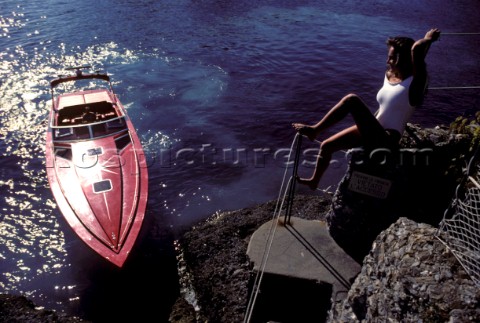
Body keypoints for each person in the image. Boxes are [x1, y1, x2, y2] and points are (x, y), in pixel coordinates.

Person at [292, 28, 441, 190]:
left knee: (352, 100)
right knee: (326, 146)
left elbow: (417, 51)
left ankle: (315, 130)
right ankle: (314, 181)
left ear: (403, 59)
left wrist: (428, 39)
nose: (387, 61)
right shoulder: (391, 75)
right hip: (373, 131)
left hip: (386, 140)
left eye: (391, 58)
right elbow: (415, 58)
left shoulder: (415, 85)